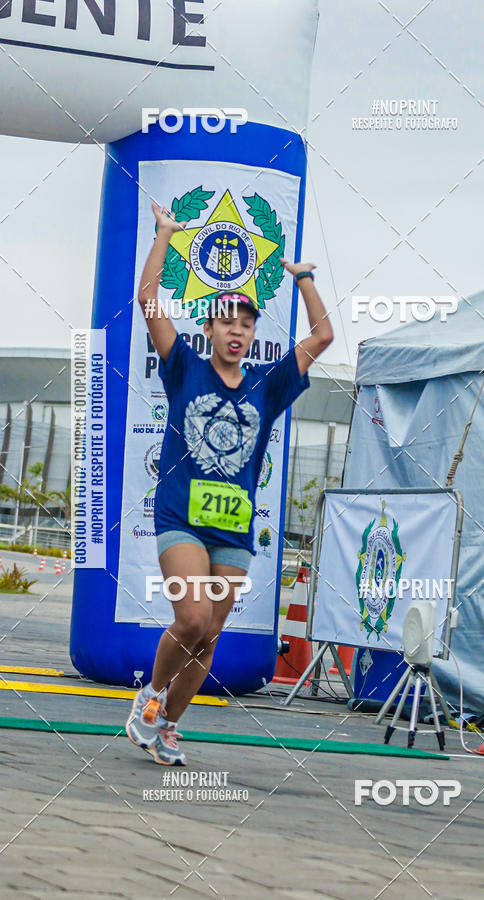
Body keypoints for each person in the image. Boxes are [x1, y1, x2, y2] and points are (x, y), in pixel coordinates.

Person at [126, 201, 334, 764]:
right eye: (227, 324)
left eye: (245, 326)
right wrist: (165, 235)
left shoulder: (267, 385)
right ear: (210, 328)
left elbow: (323, 336)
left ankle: (168, 724)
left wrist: (306, 278)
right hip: (180, 517)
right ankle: (149, 697)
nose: (236, 332)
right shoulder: (185, 367)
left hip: (233, 530)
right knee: (190, 618)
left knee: (210, 636)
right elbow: (148, 301)